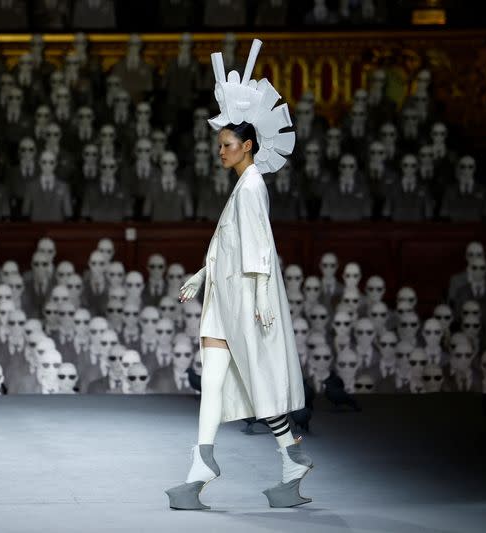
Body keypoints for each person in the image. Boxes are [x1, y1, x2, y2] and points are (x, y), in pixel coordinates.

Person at [165, 39, 312, 511]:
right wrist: (199, 276)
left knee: (259, 381)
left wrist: (264, 303)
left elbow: (258, 252)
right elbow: (227, 249)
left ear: (248, 145)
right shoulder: (244, 188)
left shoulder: (251, 188)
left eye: (227, 145)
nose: (220, 151)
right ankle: (202, 464)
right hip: (223, 300)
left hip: (244, 301)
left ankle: (290, 459)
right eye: (220, 144)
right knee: (215, 380)